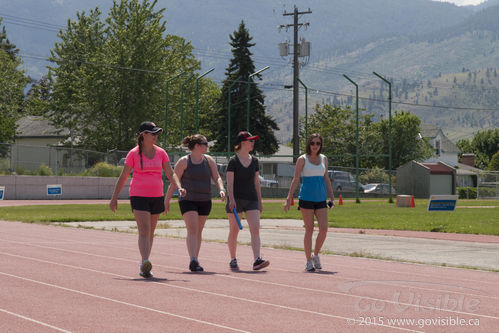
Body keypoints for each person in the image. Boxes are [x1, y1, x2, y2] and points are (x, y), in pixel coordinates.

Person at [110, 121, 185, 279]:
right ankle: (145, 261)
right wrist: (114, 197)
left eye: (156, 133)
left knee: (150, 232)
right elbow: (123, 176)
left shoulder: (161, 153)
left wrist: (178, 186)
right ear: (143, 135)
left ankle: (145, 265)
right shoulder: (133, 154)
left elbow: (170, 173)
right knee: (144, 230)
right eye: (153, 133)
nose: (156, 136)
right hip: (139, 195)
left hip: (156, 195)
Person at [165, 134, 225, 272]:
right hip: (188, 200)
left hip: (205, 200)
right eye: (205, 143)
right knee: (192, 228)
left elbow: (216, 177)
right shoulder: (184, 161)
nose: (207, 146)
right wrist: (167, 200)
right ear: (197, 146)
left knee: (198, 231)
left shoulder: (209, 160)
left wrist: (221, 189)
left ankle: (195, 259)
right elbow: (174, 181)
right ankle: (193, 259)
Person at [284, 133, 335, 272]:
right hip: (306, 198)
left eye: (318, 143)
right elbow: (295, 180)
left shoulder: (324, 159)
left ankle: (316, 254)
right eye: (313, 143)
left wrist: (332, 197)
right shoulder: (302, 159)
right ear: (309, 144)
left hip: (320, 199)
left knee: (324, 229)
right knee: (309, 229)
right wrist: (289, 198)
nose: (315, 146)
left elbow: (326, 179)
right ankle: (308, 261)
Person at [226, 131, 269, 271]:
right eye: (250, 141)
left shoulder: (255, 161)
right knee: (234, 230)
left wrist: (260, 201)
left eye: (253, 141)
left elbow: (256, 182)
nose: (253, 143)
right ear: (243, 143)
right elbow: (230, 183)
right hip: (236, 200)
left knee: (255, 228)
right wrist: (231, 199)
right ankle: (233, 258)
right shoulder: (233, 161)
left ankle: (257, 259)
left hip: (251, 199)